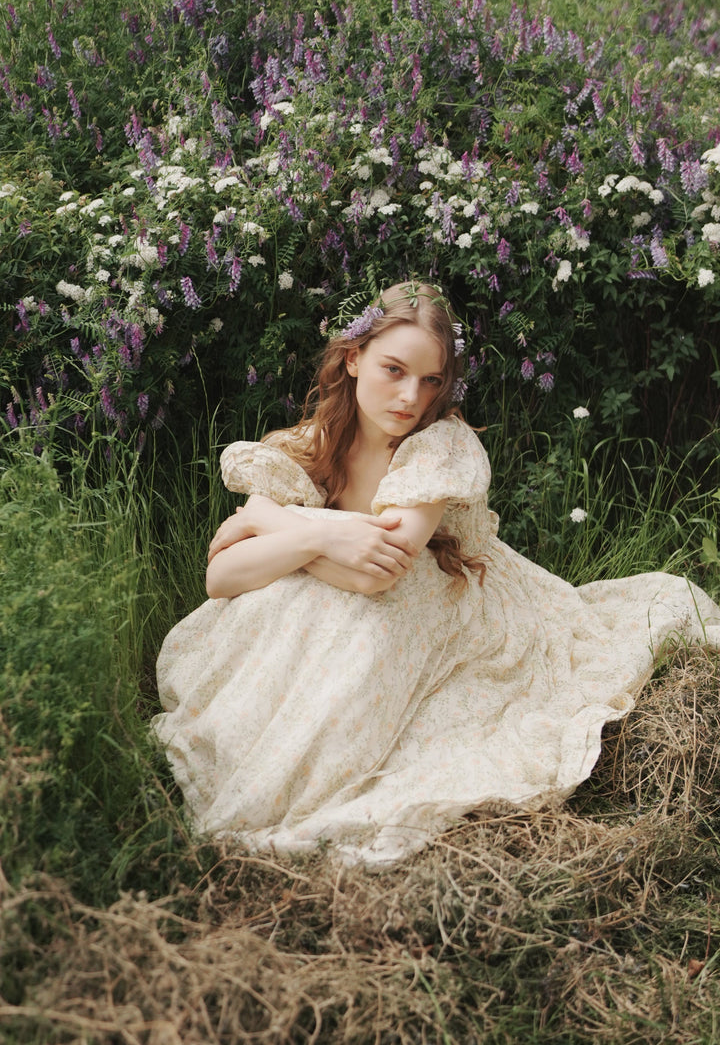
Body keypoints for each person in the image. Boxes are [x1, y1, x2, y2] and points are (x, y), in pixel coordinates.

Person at [153, 280, 720, 867]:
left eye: (430, 381)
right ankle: (256, 754)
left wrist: (270, 523)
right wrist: (322, 534)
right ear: (353, 358)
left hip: (450, 591)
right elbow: (221, 580)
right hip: (366, 590)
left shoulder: (438, 447)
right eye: (394, 370)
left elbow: (377, 575)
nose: (410, 397)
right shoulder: (308, 447)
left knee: (343, 612)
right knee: (286, 598)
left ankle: (298, 780)